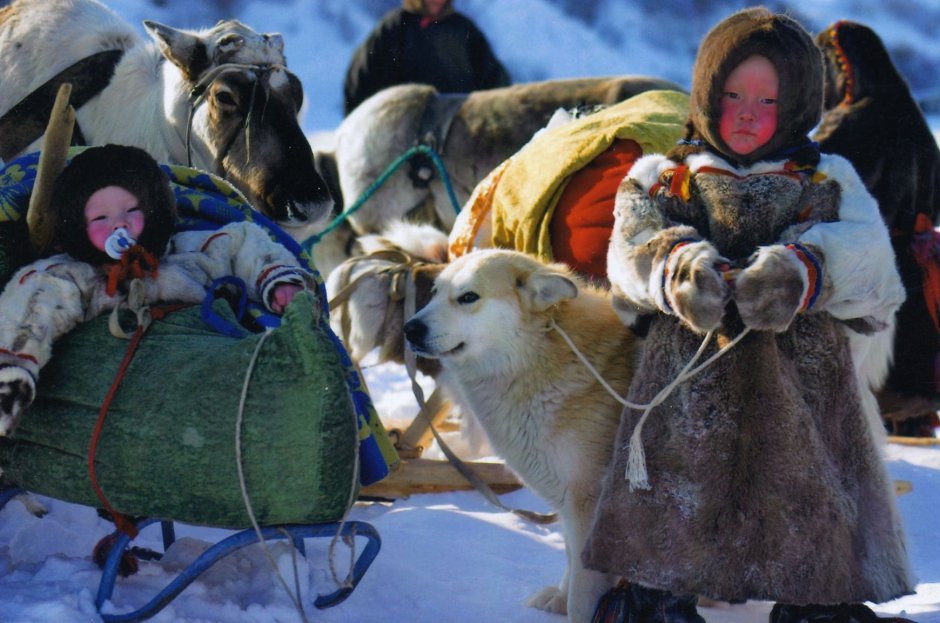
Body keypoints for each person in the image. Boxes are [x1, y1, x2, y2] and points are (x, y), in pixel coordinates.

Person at [581, 8, 915, 623]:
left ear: (798, 106)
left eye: (768, 100)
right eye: (732, 94)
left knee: (807, 491)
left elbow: (875, 271)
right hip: (689, 378)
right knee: (677, 491)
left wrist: (802, 271)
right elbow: (628, 251)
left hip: (803, 382)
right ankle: (657, 599)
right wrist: (679, 270)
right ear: (707, 91)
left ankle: (815, 602)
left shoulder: (827, 178)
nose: (746, 113)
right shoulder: (666, 178)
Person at [0, 144, 315, 437]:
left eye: (131, 210)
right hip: (121, 395)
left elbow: (240, 241)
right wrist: (14, 367)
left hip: (205, 372)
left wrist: (277, 278)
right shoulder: (74, 276)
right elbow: (33, 304)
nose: (118, 224)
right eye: (100, 217)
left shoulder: (181, 255)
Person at [814, 20, 940, 436]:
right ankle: (914, 416)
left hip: (868, 269)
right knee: (907, 366)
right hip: (915, 270)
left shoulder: (855, 119)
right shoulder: (915, 119)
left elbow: (817, 185)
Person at [342, 0, 510, 116]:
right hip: (402, 134)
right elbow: (360, 79)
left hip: (457, 133)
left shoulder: (463, 29)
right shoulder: (396, 27)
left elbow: (494, 81)